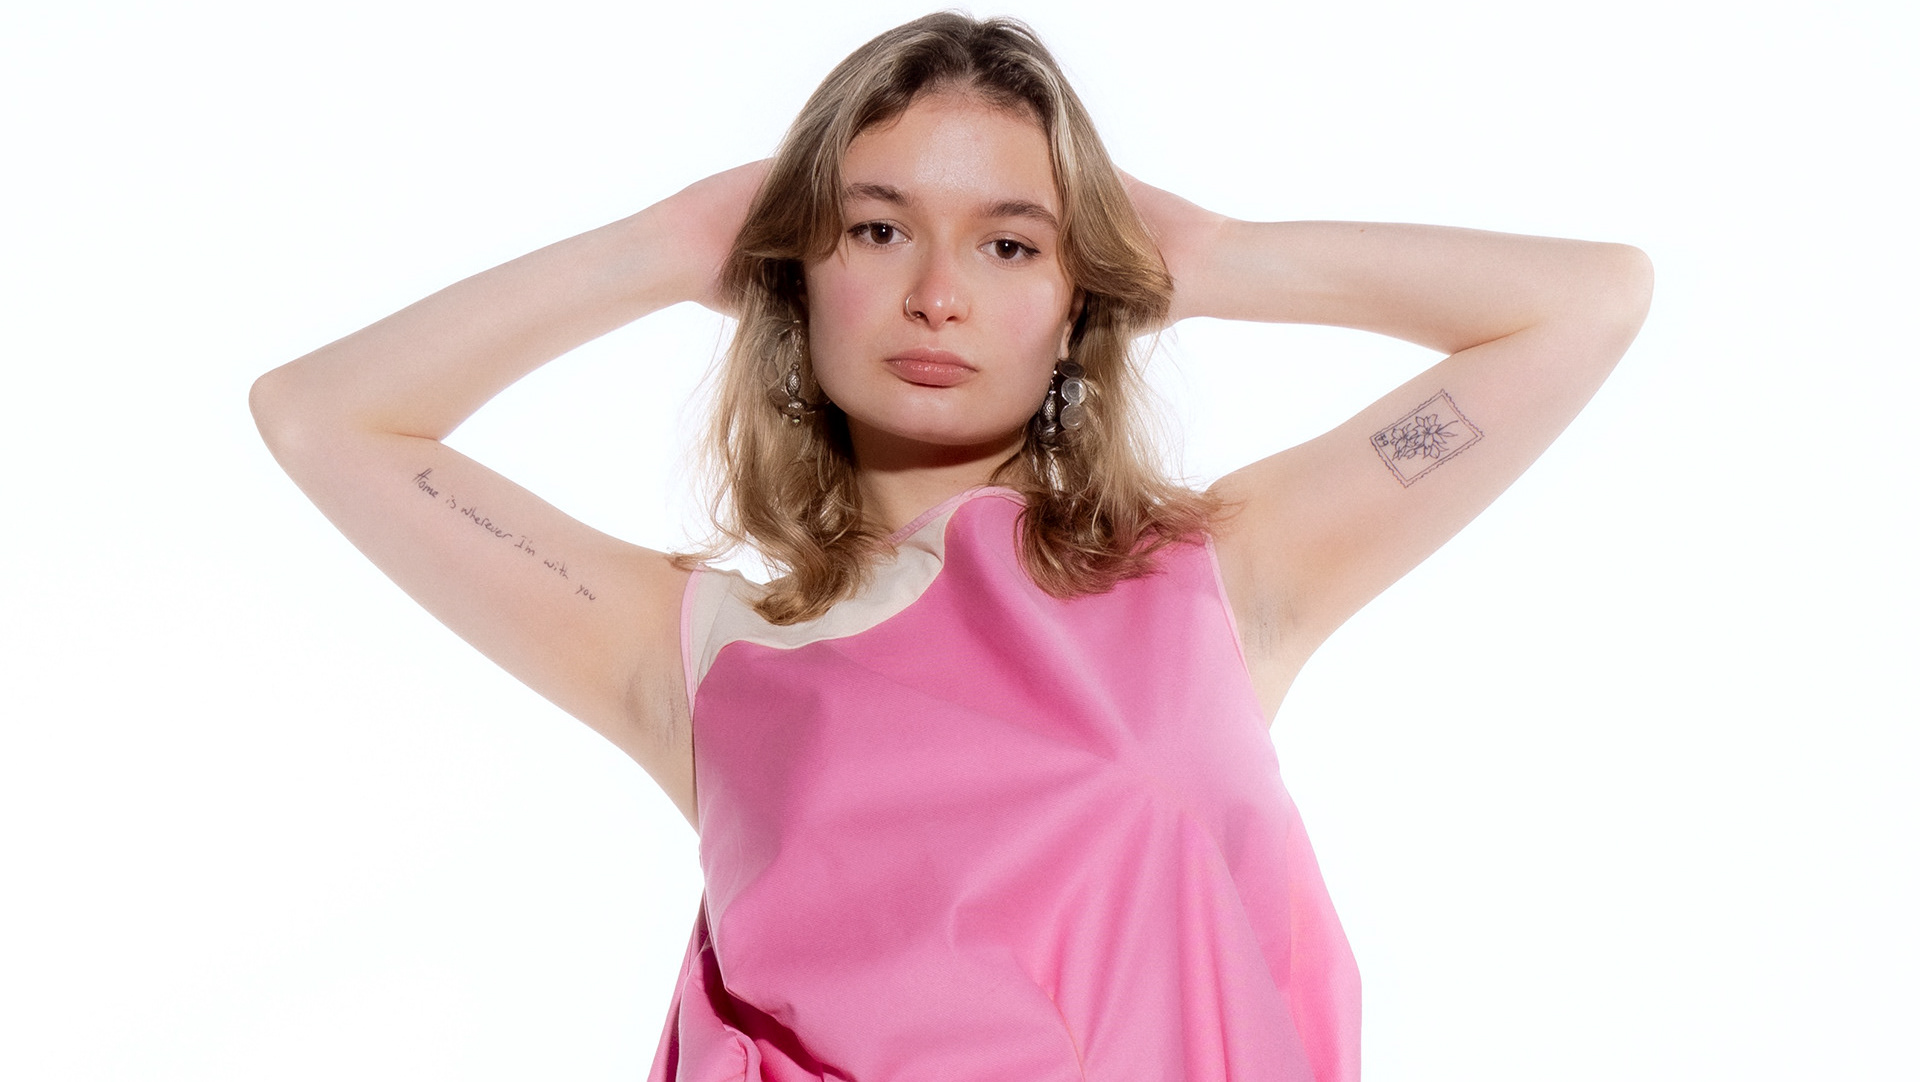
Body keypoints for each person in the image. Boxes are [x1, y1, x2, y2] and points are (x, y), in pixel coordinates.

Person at [250, 12, 1650, 1081]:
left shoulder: (1220, 578)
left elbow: (1587, 304)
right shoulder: (698, 655)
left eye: (1009, 245)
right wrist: (669, 242)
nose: (936, 293)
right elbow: (323, 418)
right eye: (877, 229)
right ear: (796, 270)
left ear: (1083, 295)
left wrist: (1222, 256)